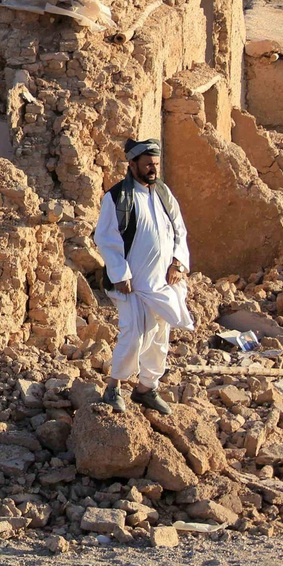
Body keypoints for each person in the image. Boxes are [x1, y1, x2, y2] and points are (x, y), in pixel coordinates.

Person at [93, 137, 193, 415]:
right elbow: (106, 238)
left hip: (163, 282)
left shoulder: (163, 193)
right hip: (133, 285)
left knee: (160, 336)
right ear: (132, 163)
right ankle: (114, 388)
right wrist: (120, 273)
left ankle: (147, 388)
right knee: (133, 335)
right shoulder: (117, 197)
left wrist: (178, 262)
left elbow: (179, 231)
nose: (153, 169)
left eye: (156, 164)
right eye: (148, 164)